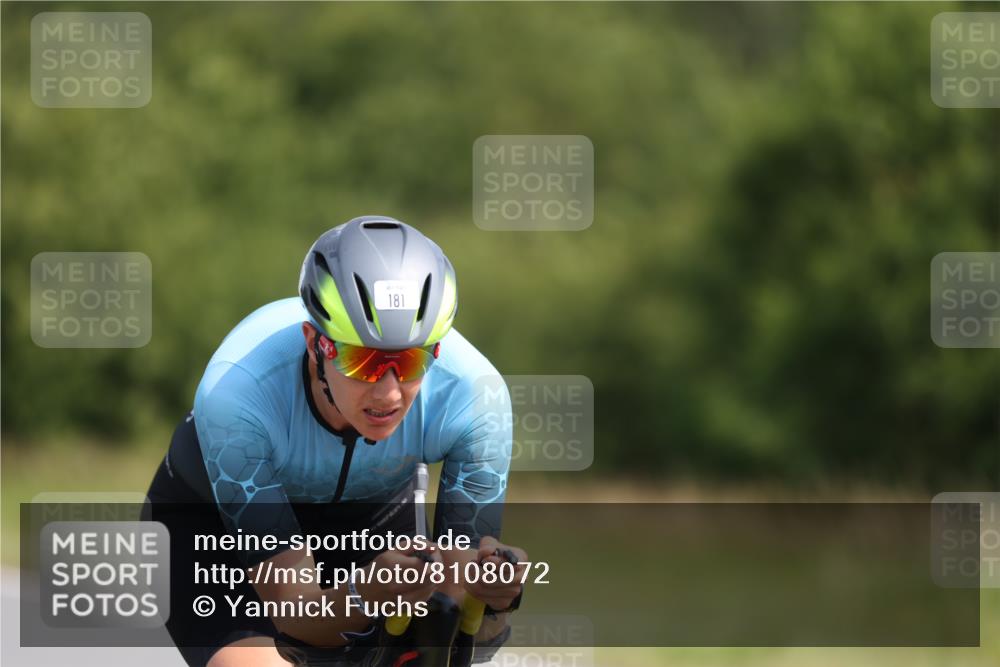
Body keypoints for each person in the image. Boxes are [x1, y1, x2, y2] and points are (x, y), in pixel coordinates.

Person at [144, 216, 525, 667]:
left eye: (410, 361)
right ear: (315, 343)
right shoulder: (237, 396)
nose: (388, 392)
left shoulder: (476, 396)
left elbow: (461, 610)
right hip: (212, 528)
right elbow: (296, 615)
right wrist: (366, 593)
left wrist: (494, 597)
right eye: (363, 360)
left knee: (438, 640)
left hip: (372, 510)